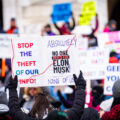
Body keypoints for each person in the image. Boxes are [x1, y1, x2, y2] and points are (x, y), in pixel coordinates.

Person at [8, 71, 86, 120]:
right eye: (30, 89)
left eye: (34, 89)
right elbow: (77, 109)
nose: (32, 90)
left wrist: (12, 88)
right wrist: (80, 87)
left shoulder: (50, 100)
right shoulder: (61, 117)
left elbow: (14, 111)